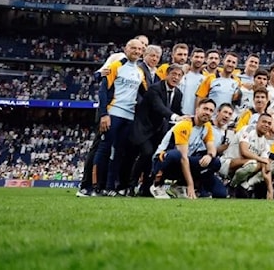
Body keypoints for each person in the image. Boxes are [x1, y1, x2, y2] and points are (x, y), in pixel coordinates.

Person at [93, 38, 148, 196]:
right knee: (104, 149)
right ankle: (97, 187)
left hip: (129, 117)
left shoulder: (139, 72)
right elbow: (103, 91)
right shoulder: (115, 66)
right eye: (134, 48)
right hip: (113, 113)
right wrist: (104, 113)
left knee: (119, 152)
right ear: (126, 49)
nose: (137, 52)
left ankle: (110, 187)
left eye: (139, 49)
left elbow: (147, 93)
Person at [149, 99, 227, 200]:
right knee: (176, 155)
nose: (207, 112)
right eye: (205, 109)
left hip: (183, 162)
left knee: (215, 162)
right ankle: (157, 185)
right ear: (197, 110)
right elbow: (183, 158)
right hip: (163, 160)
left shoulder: (207, 126)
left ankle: (179, 186)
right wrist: (191, 185)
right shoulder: (185, 125)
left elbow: (211, 148)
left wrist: (209, 155)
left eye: (211, 110)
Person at [128, 64, 186, 197]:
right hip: (143, 128)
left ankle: (146, 188)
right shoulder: (155, 89)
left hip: (159, 131)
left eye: (179, 75)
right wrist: (176, 117)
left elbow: (176, 111)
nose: (176, 78)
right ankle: (131, 186)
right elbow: (159, 107)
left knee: (155, 158)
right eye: (174, 74)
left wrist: (188, 118)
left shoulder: (178, 93)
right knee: (146, 153)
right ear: (167, 74)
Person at [195, 52, 242, 117]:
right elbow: (200, 98)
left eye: (233, 62)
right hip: (209, 118)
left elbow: (235, 101)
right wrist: (198, 115)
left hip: (225, 119)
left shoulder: (237, 81)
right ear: (223, 61)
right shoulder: (211, 78)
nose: (230, 64)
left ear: (236, 65)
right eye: (228, 61)